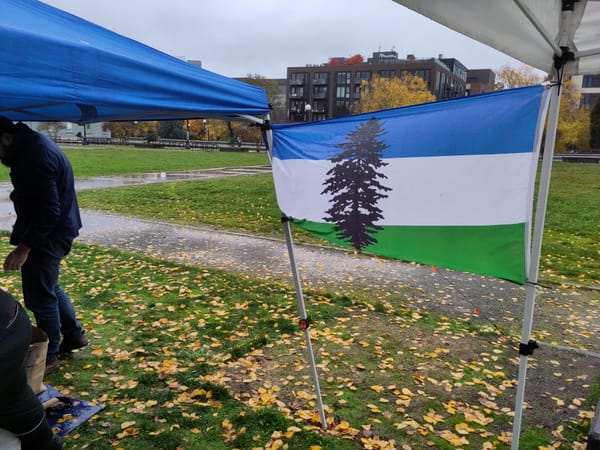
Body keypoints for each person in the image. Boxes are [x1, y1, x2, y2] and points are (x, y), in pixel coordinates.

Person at [0, 116, 87, 373]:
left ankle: (49, 355)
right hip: (56, 228)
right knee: (48, 285)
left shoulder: (34, 156)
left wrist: (24, 247)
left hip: (51, 232)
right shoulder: (30, 147)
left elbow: (49, 211)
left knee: (40, 296)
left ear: (6, 137)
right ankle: (74, 334)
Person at [0, 288, 63, 449]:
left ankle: (44, 441)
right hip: (11, 320)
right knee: (14, 396)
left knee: (14, 398)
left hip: (8, 329)